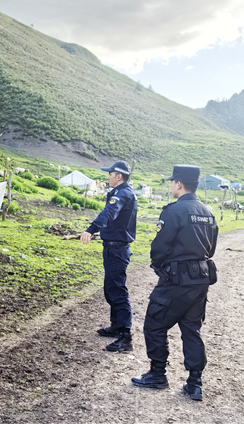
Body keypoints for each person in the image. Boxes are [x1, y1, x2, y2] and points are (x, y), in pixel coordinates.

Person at [132, 165, 218, 401]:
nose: (171, 185)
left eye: (172, 182)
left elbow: (159, 247)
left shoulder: (174, 211)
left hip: (176, 279)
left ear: (179, 184)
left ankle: (157, 374)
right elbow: (211, 248)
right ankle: (195, 383)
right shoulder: (207, 212)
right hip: (200, 279)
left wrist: (161, 267)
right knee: (191, 329)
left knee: (154, 324)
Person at [80, 160, 138, 352]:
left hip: (118, 249)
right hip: (113, 248)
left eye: (110, 174)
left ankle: (125, 337)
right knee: (110, 288)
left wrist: (91, 229)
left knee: (117, 290)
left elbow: (109, 212)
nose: (107, 177)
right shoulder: (121, 192)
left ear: (118, 176)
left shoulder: (123, 194)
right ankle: (116, 326)